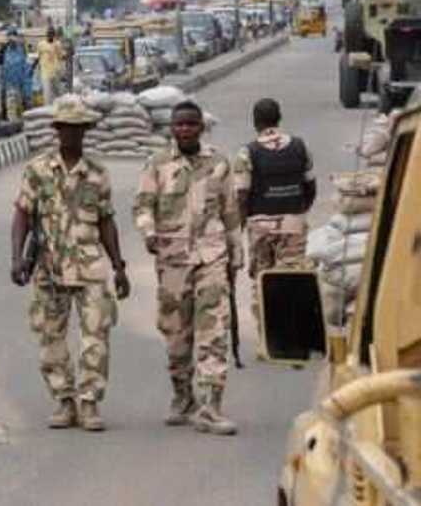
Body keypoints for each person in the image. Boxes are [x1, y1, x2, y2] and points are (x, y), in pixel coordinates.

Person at [11, 97, 130, 432]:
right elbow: (22, 214)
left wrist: (119, 266)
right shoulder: (37, 170)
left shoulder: (97, 174)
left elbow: (107, 220)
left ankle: (89, 402)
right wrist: (17, 258)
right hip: (49, 267)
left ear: (85, 131)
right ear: (57, 130)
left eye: (77, 129)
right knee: (50, 336)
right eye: (66, 128)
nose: (71, 134)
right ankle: (64, 400)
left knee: (96, 336)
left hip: (90, 267)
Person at [133, 101, 242, 436]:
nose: (184, 130)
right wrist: (149, 232)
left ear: (200, 127)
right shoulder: (157, 164)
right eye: (179, 125)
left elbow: (230, 212)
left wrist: (236, 254)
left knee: (213, 331)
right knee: (177, 335)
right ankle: (183, 396)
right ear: (172, 128)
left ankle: (212, 405)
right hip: (173, 258)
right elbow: (142, 205)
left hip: (211, 257)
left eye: (191, 124)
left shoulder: (219, 164)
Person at [231, 99, 315, 357]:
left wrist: (240, 228)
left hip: (260, 228)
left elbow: (242, 196)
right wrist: (296, 212)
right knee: (293, 280)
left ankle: (268, 344)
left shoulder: (247, 153)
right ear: (279, 118)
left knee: (263, 282)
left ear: (255, 122)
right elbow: (310, 187)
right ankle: (294, 342)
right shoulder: (300, 147)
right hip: (293, 225)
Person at [0, 26, 29, 119]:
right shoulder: (4, 50)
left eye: (13, 36)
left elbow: (25, 68)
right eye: (9, 36)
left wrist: (26, 89)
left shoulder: (21, 50)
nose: (11, 39)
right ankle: (13, 125)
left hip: (20, 85)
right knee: (11, 109)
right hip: (9, 86)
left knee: (21, 109)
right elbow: (0, 65)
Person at [36, 28, 65, 106]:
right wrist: (35, 69)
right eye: (49, 34)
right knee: (47, 94)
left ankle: (60, 107)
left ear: (54, 35)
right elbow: (38, 57)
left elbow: (61, 57)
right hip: (45, 73)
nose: (50, 36)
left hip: (55, 72)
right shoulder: (41, 44)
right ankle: (48, 108)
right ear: (46, 35)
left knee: (58, 93)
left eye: (52, 34)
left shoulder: (57, 44)